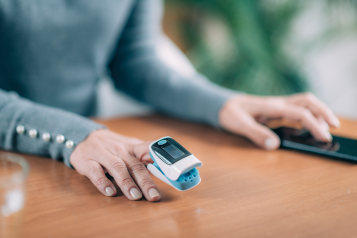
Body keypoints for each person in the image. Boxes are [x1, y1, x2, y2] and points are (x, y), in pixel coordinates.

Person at [0, 0, 340, 202]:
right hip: (40, 157)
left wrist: (224, 104)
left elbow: (134, 62)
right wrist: (74, 135)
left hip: (80, 162)